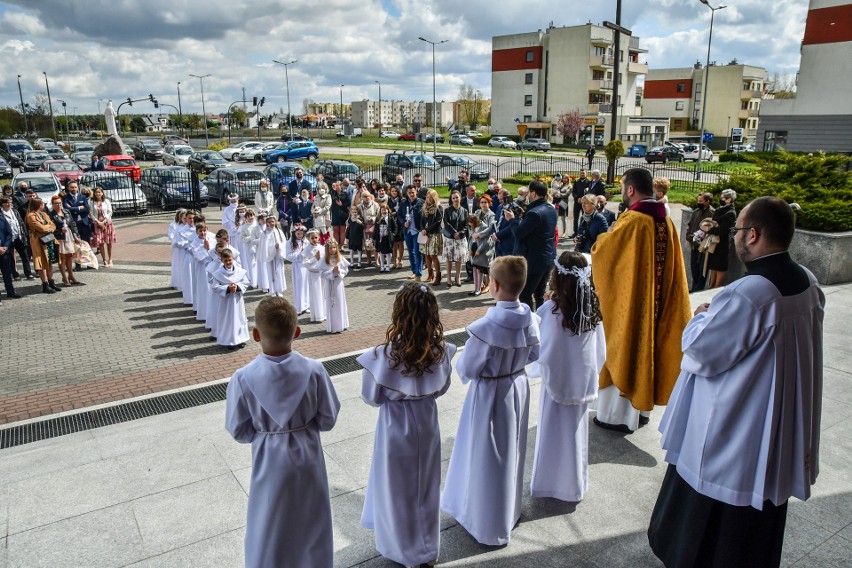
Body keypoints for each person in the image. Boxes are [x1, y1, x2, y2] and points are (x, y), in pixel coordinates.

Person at [648, 196, 824, 568]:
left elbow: (701, 352)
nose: (734, 238)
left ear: (755, 235)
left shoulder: (752, 292)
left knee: (712, 534)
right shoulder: (807, 282)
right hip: (778, 424)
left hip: (737, 430)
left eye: (739, 230)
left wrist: (699, 317)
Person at [225, 296, 340, 568]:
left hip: (269, 458)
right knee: (310, 517)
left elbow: (239, 430)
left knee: (270, 518)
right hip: (308, 455)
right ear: (297, 332)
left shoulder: (243, 377)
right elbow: (328, 419)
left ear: (255, 334)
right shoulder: (314, 370)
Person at [441, 255, 541, 546]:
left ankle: (485, 520)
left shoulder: (485, 329)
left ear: (493, 285)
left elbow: (468, 368)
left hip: (490, 393)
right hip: (517, 387)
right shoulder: (531, 319)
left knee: (486, 454)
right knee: (511, 451)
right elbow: (535, 354)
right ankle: (507, 511)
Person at [358, 282, 455, 567]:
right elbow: (441, 388)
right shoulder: (442, 352)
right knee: (425, 483)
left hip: (394, 428)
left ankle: (401, 546)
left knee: (397, 487)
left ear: (398, 314)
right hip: (427, 422)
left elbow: (371, 397)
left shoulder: (383, 356)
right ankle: (425, 546)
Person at [590, 167, 691, 433]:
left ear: (631, 189)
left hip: (634, 304)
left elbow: (603, 256)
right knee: (651, 344)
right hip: (657, 304)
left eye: (623, 187)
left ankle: (616, 416)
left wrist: (603, 237)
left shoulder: (633, 221)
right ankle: (641, 410)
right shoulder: (665, 220)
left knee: (626, 343)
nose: (622, 192)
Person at [530, 251, 605, 502]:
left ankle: (549, 484)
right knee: (575, 434)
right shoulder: (591, 308)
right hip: (581, 381)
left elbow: (542, 350)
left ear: (557, 277)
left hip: (556, 384)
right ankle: (574, 485)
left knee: (552, 433)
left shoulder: (551, 310)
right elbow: (600, 351)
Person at [507, 180, 557, 310]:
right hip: (547, 258)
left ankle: (530, 323)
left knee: (525, 294)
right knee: (539, 293)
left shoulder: (534, 213)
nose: (528, 195)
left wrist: (512, 220)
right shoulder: (551, 209)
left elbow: (518, 233)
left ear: (534, 194)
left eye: (529, 192)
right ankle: (542, 321)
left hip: (534, 260)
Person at [210, 248, 250, 350]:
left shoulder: (239, 271)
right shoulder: (218, 273)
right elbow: (215, 287)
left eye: (230, 260)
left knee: (239, 319)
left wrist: (237, 287)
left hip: (237, 300)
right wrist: (227, 288)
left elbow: (246, 282)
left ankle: (240, 339)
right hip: (226, 302)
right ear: (222, 261)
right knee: (228, 320)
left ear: (233, 259)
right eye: (226, 260)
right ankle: (229, 341)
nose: (228, 262)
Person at [24, 197, 60, 294]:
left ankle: (51, 282)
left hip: (49, 239)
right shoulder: (31, 216)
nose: (44, 205)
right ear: (38, 205)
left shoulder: (44, 214)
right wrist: (48, 227)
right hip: (39, 242)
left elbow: (53, 225)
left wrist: (48, 227)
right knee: (42, 263)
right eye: (42, 204)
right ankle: (45, 284)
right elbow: (40, 228)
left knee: (50, 262)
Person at [47, 195, 83, 287]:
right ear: (52, 204)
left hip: (69, 236)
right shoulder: (51, 215)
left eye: (60, 203)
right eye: (56, 203)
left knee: (69, 257)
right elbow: (51, 228)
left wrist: (76, 235)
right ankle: (64, 277)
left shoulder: (66, 211)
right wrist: (59, 231)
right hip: (60, 238)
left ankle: (71, 275)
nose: (58, 205)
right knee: (62, 258)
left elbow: (72, 224)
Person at [706, 188, 738, 289]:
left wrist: (710, 229)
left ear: (729, 200)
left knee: (720, 266)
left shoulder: (731, 213)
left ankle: (716, 287)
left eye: (723, 198)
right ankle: (711, 286)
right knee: (713, 266)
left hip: (722, 243)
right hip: (714, 242)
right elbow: (713, 221)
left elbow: (722, 230)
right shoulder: (720, 209)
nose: (721, 199)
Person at [1, 193, 34, 281]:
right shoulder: (1, 213)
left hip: (18, 236)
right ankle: (15, 274)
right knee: (11, 257)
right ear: (2, 204)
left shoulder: (15, 211)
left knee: (25, 255)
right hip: (8, 239)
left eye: (10, 202)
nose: (9, 204)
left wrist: (24, 234)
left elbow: (21, 223)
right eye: (7, 202)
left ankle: (28, 273)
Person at [685, 192, 714, 292]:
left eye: (701, 201)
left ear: (707, 201)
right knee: (694, 269)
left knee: (702, 271)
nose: (698, 203)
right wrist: (688, 235)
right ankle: (694, 289)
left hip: (703, 248)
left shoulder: (712, 213)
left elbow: (711, 229)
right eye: (698, 201)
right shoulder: (696, 211)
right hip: (694, 245)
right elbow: (690, 224)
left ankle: (698, 290)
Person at [319, 238, 349, 334]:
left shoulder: (339, 258)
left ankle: (341, 324)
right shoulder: (324, 260)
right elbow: (322, 274)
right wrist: (332, 271)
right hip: (329, 284)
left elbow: (346, 270)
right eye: (331, 248)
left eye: (334, 248)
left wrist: (339, 271)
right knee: (331, 304)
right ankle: (333, 326)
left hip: (338, 283)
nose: (333, 250)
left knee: (340, 302)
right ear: (327, 249)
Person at [442, 190, 468, 287]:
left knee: (459, 258)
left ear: (460, 198)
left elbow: (466, 225)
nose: (455, 199)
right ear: (451, 199)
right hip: (450, 238)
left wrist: (460, 233)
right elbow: (446, 223)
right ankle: (448, 278)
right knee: (449, 258)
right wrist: (454, 233)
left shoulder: (465, 211)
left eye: (457, 197)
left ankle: (458, 277)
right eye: (453, 198)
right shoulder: (447, 210)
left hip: (460, 238)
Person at [397, 185, 423, 281]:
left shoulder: (420, 203)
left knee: (417, 252)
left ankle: (418, 274)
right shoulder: (404, 203)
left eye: (413, 192)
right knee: (411, 253)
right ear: (407, 193)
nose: (411, 194)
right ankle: (414, 271)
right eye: (409, 193)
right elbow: (399, 215)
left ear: (416, 192)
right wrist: (404, 222)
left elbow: (424, 216)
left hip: (417, 231)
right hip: (407, 231)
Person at [0, 197, 23, 301]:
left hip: (5, 250)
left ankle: (10, 292)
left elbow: (9, 233)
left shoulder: (2, 217)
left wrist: (5, 246)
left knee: (7, 273)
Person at [419, 189, 443, 286]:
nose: (428, 199)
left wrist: (427, 230)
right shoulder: (424, 207)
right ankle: (430, 273)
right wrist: (422, 229)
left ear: (434, 197)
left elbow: (438, 222)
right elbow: (421, 220)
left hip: (434, 234)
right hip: (425, 234)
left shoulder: (439, 207)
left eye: (430, 197)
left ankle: (438, 276)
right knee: (426, 254)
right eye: (427, 197)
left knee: (433, 255)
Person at [467, 214, 495, 297]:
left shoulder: (484, 227)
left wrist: (479, 250)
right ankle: (475, 288)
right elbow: (470, 238)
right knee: (474, 269)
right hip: (474, 249)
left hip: (481, 251)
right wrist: (470, 249)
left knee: (479, 270)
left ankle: (478, 289)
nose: (470, 225)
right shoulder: (472, 227)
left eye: (470, 223)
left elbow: (486, 241)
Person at [302, 229, 326, 322]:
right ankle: (317, 315)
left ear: (319, 238)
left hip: (321, 273)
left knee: (323, 293)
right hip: (313, 274)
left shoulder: (322, 248)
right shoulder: (306, 250)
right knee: (315, 294)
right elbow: (304, 263)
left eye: (316, 237)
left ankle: (324, 313)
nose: (314, 239)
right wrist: (314, 259)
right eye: (312, 238)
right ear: (308, 239)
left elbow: (325, 259)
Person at [285, 225, 310, 315]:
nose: (299, 235)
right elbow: (288, 256)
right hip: (297, 266)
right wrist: (299, 253)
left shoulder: (306, 241)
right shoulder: (290, 243)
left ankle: (306, 305)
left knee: (306, 286)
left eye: (301, 233)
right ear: (294, 233)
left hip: (306, 266)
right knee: (299, 287)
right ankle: (299, 307)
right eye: (298, 234)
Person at [88, 186, 116, 267]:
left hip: (107, 223)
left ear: (102, 193)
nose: (98, 194)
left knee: (109, 242)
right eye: (96, 192)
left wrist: (104, 221)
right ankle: (104, 259)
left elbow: (110, 212)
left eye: (99, 192)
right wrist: (98, 222)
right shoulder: (92, 202)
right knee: (100, 242)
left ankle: (110, 259)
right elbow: (90, 213)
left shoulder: (106, 201)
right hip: (97, 224)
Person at [265, 216, 288, 298]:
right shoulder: (265, 233)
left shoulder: (279, 231)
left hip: (278, 255)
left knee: (279, 272)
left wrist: (280, 246)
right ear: (267, 223)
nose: (272, 223)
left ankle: (279, 289)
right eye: (270, 222)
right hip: (270, 256)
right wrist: (272, 247)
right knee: (271, 273)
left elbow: (284, 242)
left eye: (273, 222)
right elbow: (264, 245)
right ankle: (273, 290)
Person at [358, 190, 380, 268]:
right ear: (362, 198)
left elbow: (378, 215)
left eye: (368, 196)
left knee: (376, 244)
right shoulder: (359, 206)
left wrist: (373, 219)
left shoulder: (376, 205)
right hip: (365, 227)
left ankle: (377, 261)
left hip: (375, 227)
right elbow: (357, 216)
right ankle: (368, 260)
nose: (367, 198)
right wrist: (361, 221)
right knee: (367, 244)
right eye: (365, 196)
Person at [375, 202, 397, 273]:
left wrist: (393, 235)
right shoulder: (378, 219)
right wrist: (374, 237)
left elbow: (395, 227)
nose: (384, 211)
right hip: (380, 238)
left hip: (388, 238)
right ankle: (382, 266)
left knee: (388, 252)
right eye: (382, 210)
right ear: (380, 211)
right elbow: (375, 228)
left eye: (385, 210)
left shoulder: (390, 218)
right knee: (381, 252)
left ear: (388, 210)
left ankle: (387, 265)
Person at [239, 209, 258, 288]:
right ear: (246, 217)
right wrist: (249, 238)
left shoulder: (257, 225)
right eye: (249, 216)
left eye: (252, 215)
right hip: (249, 247)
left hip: (257, 246)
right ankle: (254, 281)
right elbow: (242, 238)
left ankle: (260, 280)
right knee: (251, 264)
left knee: (258, 263)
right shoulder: (244, 227)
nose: (251, 217)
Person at [330, 181, 351, 249]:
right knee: (335, 229)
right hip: (335, 213)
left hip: (343, 213)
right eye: (335, 186)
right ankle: (336, 245)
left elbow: (348, 203)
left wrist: (342, 205)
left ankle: (341, 246)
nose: (336, 187)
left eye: (337, 185)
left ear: (340, 186)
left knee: (342, 230)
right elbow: (333, 197)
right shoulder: (333, 193)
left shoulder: (345, 194)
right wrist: (333, 190)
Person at [253, 211, 270, 292]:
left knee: (268, 267)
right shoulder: (255, 229)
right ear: (258, 220)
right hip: (260, 250)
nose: (263, 220)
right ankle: (264, 285)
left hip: (268, 250)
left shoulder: (268, 228)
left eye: (265, 219)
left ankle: (270, 284)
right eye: (262, 219)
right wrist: (261, 240)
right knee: (262, 267)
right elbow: (253, 240)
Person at [571, 169, 591, 237]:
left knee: (584, 217)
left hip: (584, 203)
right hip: (577, 202)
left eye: (584, 173)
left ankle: (581, 232)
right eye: (581, 173)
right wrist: (577, 198)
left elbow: (589, 192)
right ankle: (575, 232)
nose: (582, 174)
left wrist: (583, 199)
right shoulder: (576, 181)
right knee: (575, 218)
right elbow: (573, 192)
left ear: (586, 174)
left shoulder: (589, 182)